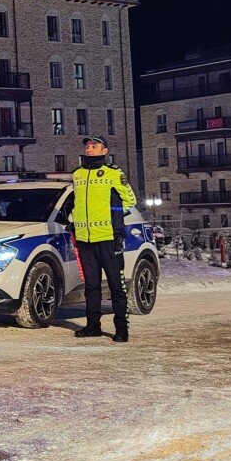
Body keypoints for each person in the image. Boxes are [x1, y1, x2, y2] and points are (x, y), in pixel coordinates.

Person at [69, 135, 137, 343]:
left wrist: (115, 221)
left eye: (94, 146)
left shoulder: (113, 173)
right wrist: (72, 218)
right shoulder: (77, 174)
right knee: (91, 286)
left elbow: (130, 200)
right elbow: (77, 202)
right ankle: (93, 326)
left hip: (108, 238)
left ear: (104, 151)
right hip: (84, 238)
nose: (89, 149)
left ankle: (121, 329)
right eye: (88, 146)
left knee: (116, 286)